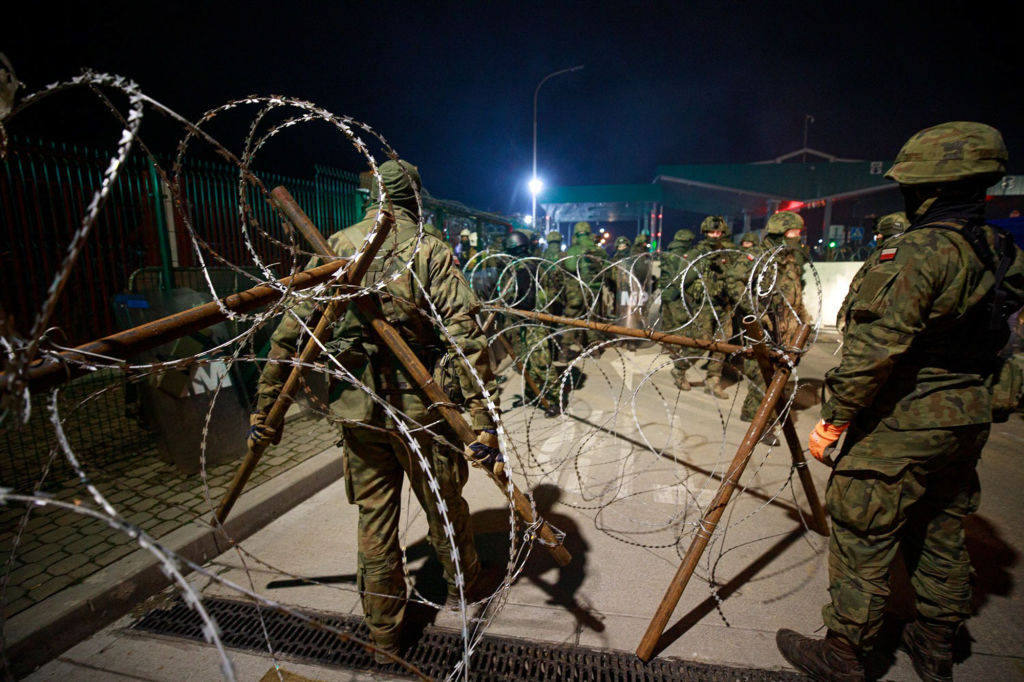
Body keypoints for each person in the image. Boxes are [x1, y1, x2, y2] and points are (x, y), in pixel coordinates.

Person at [777, 122, 1024, 682]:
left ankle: (843, 654)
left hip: (901, 420)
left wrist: (835, 418)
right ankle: (936, 643)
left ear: (927, 188)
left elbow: (873, 349)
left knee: (864, 533)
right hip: (965, 420)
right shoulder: (999, 247)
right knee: (939, 528)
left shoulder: (917, 252)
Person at [252, 159, 499, 662]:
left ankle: (384, 634)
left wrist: (265, 407)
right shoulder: (427, 249)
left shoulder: (339, 247)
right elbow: (464, 336)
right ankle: (462, 587)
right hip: (422, 410)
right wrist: (481, 420)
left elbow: (289, 336)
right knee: (443, 504)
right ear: (414, 197)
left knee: (374, 519)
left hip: (359, 412)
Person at [502, 230, 561, 414]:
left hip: (533, 320)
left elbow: (525, 299)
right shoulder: (529, 264)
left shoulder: (525, 267)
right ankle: (532, 395)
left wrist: (509, 306)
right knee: (526, 361)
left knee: (540, 361)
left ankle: (552, 400)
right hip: (526, 319)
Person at [678, 216, 732, 399]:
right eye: (711, 232)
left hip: (724, 305)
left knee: (722, 345)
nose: (715, 235)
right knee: (700, 343)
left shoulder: (726, 252)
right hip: (705, 305)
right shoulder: (697, 253)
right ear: (705, 233)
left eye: (718, 232)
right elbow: (683, 278)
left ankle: (713, 380)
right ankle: (680, 369)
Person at [759, 211, 810, 347]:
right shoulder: (761, 257)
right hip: (768, 323)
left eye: (798, 232)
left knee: (788, 361)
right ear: (779, 234)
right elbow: (742, 289)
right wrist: (759, 314)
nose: (798, 237)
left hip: (790, 322)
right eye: (793, 233)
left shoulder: (790, 258)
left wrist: (802, 314)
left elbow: (796, 286)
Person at [658, 229, 697, 389]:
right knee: (680, 323)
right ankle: (675, 349)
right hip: (675, 293)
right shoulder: (683, 255)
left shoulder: (669, 253)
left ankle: (666, 346)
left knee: (667, 322)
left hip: (665, 291)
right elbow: (682, 277)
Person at [561, 221, 609, 353]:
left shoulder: (574, 249)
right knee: (592, 319)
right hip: (595, 289)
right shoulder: (598, 250)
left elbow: (570, 266)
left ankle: (565, 350)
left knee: (573, 319)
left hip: (578, 289)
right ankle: (594, 349)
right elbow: (606, 269)